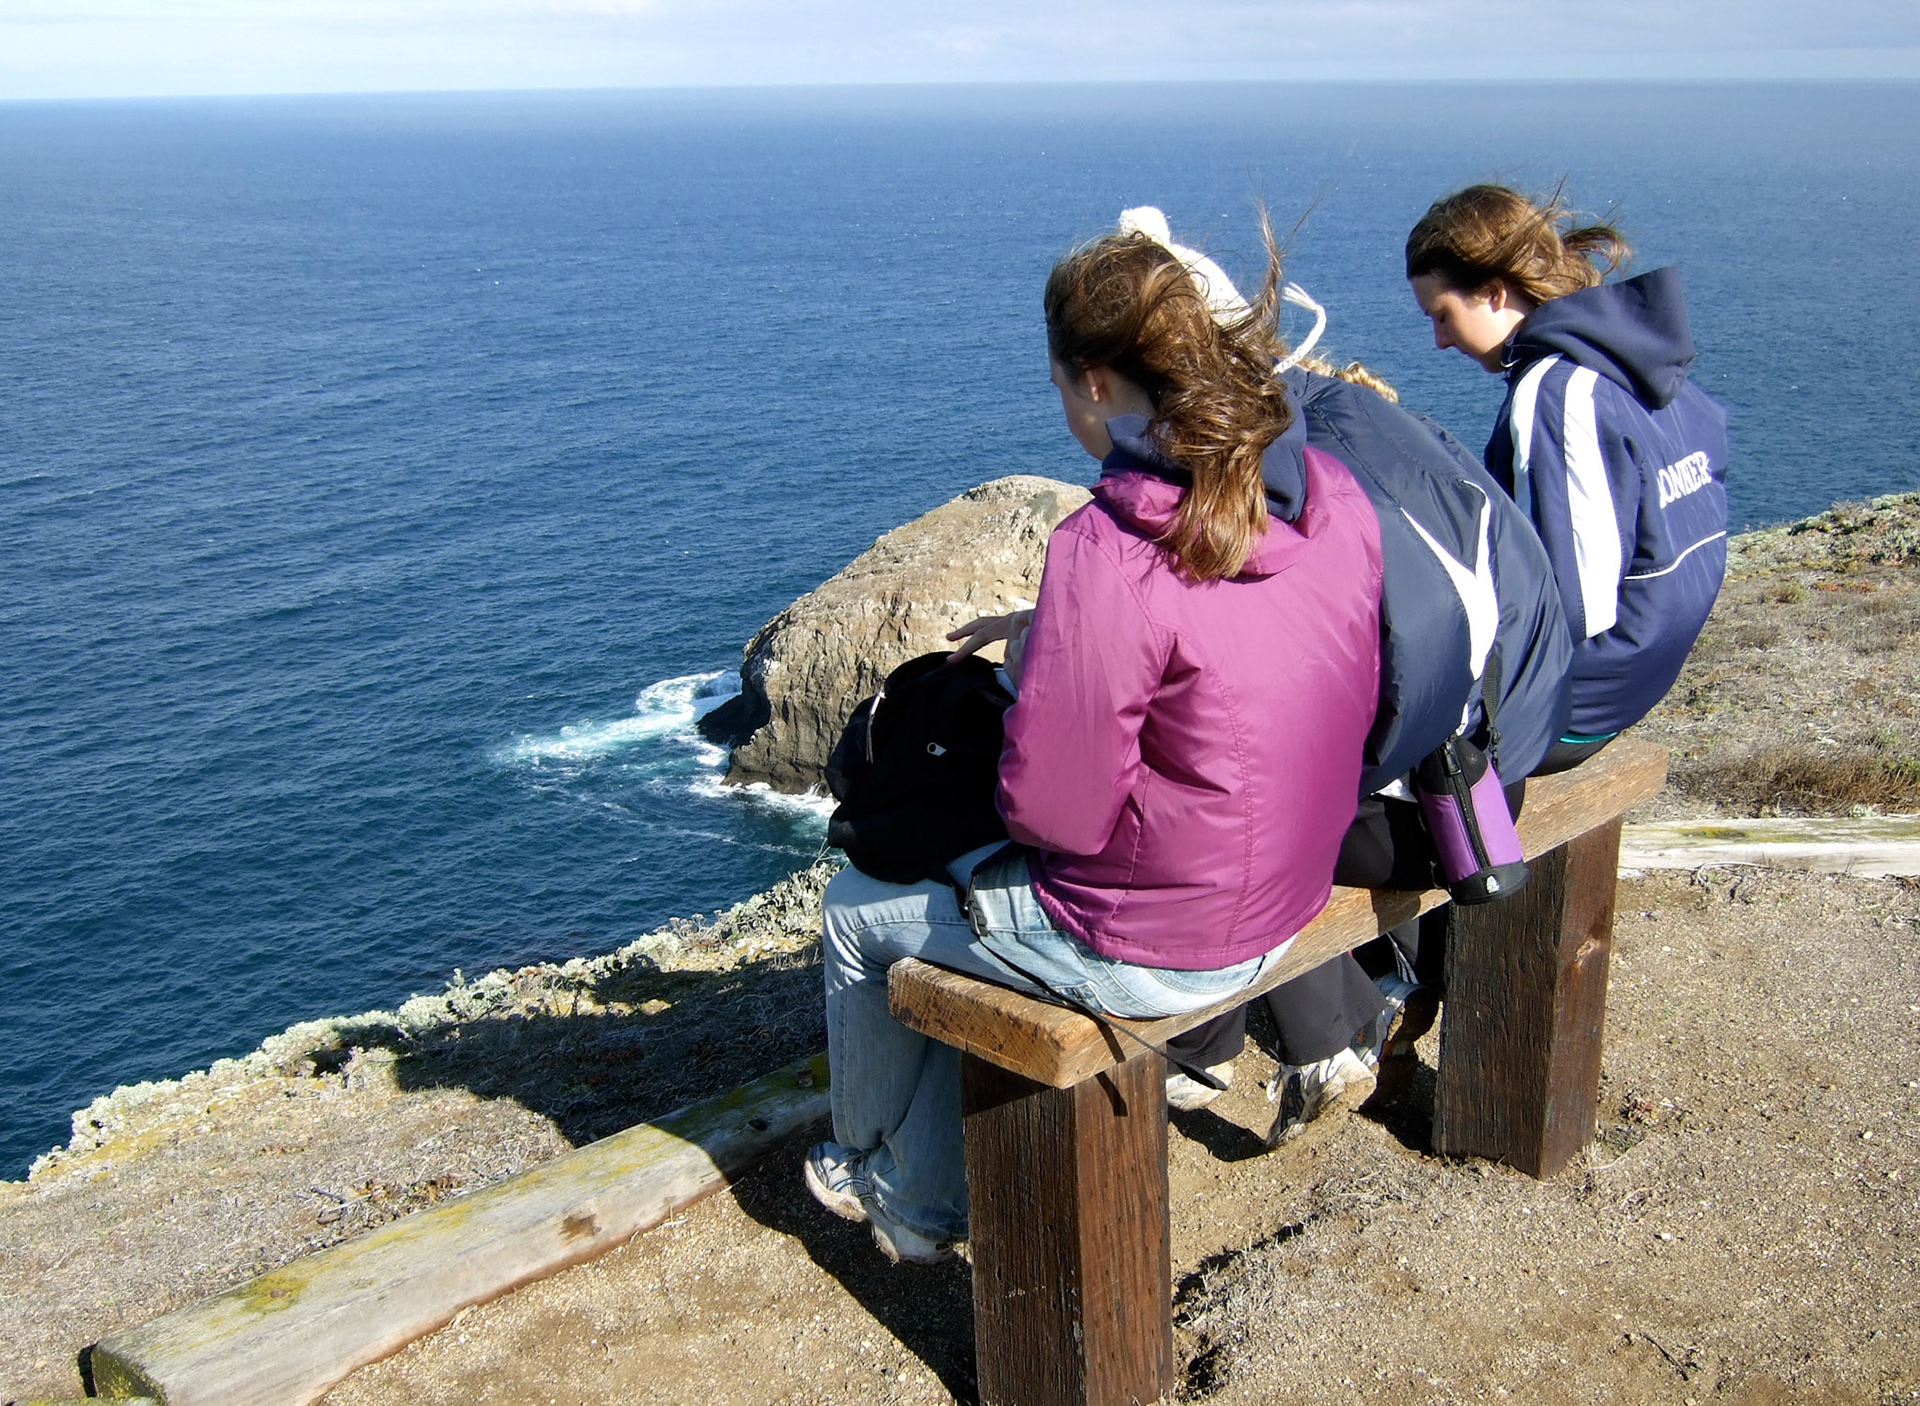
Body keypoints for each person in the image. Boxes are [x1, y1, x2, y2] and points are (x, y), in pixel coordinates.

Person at [802, 224, 1385, 1264]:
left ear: (1099, 380)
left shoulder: (1107, 549)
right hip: (1292, 889)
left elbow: (1055, 814)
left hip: (1163, 940)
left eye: (1064, 386)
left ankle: (863, 1164)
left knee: (861, 910)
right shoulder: (1325, 493)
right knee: (966, 923)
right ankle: (924, 1194)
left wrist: (1032, 700)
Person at [1110, 208, 1573, 1140]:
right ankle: (1290, 1033)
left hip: (1424, 823)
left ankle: (1252, 1040)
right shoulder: (1365, 419)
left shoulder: (1257, 487)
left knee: (1181, 805)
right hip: (1506, 766)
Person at [1406, 183, 1729, 771]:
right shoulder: (1637, 357)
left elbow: (1573, 607)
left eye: (1443, 316)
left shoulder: (1556, 393)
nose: (1440, 341)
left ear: (1494, 292)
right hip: (1642, 673)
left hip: (1572, 711)